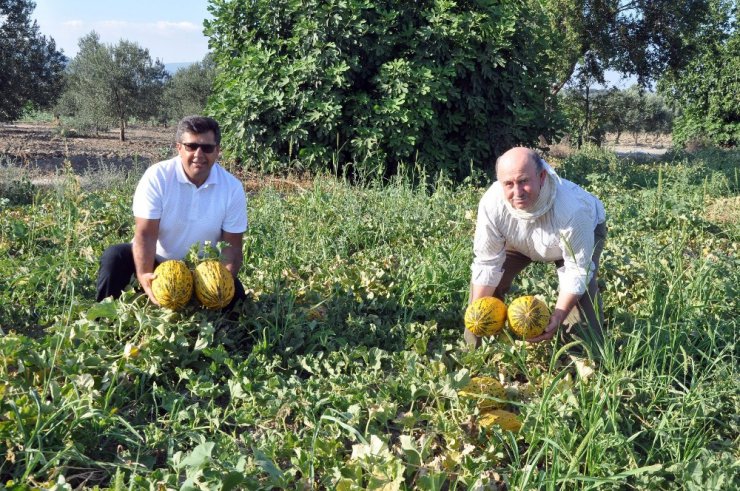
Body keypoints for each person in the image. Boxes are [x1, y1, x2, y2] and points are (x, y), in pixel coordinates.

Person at [96, 115, 248, 309]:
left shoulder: (232, 187)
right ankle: (103, 320)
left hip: (201, 272)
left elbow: (232, 247)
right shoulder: (157, 177)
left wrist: (219, 284)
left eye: (207, 148)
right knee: (114, 256)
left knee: (236, 299)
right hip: (156, 264)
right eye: (191, 146)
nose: (199, 155)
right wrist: (144, 276)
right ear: (179, 148)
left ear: (217, 150)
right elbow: (145, 234)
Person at [466, 147, 607, 348]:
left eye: (523, 181)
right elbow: (487, 263)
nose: (517, 192)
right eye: (508, 184)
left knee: (583, 312)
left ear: (541, 177)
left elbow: (577, 271)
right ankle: (475, 352)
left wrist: (558, 315)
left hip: (572, 240)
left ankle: (589, 360)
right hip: (519, 238)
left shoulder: (573, 209)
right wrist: (478, 315)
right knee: (484, 294)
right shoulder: (492, 203)